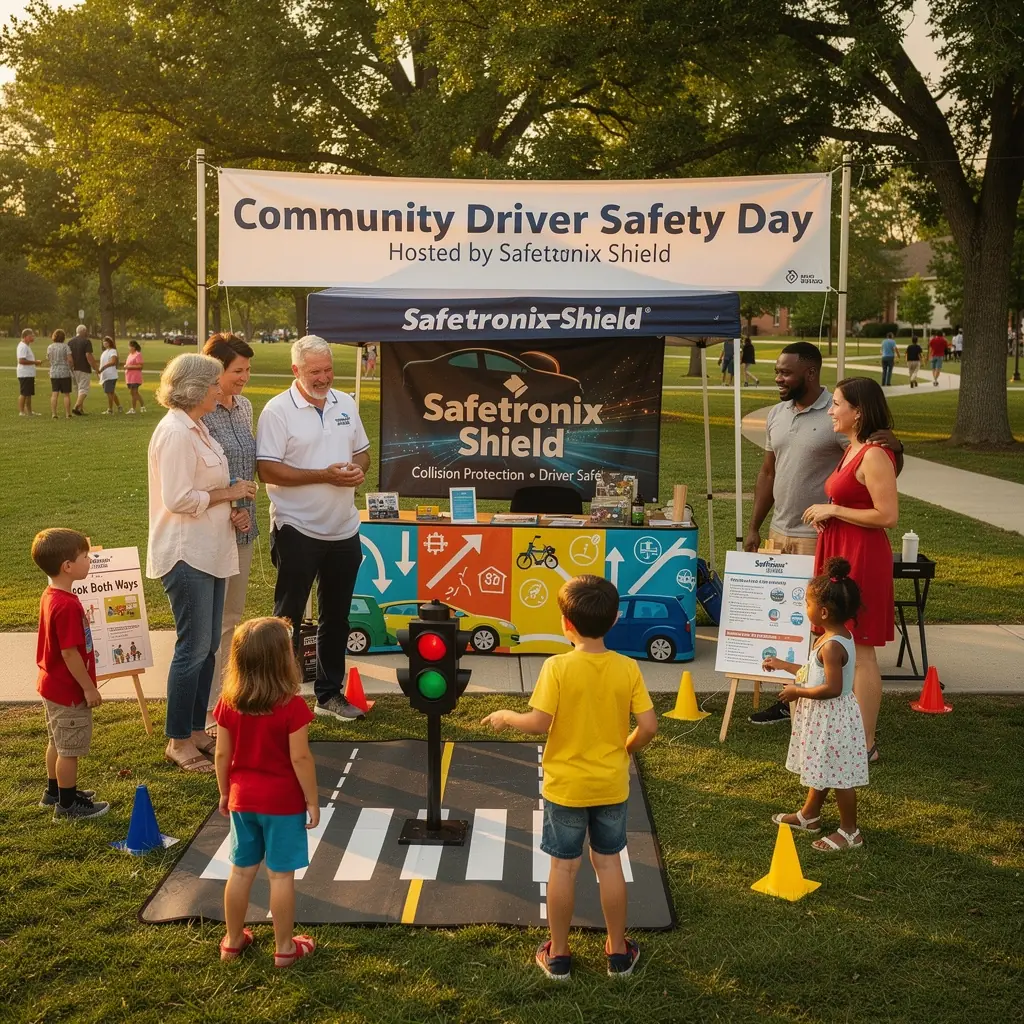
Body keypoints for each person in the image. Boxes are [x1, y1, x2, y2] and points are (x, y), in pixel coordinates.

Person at [482, 575, 657, 980]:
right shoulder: (627, 667)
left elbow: (539, 722)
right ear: (613, 621)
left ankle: (558, 955)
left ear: (566, 623)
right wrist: (624, 750)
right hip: (611, 784)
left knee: (563, 868)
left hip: (565, 789)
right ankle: (617, 951)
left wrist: (508, 716)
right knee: (609, 863)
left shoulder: (556, 666)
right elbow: (648, 726)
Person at [744, 342, 902, 727]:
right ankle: (804, 702)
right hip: (799, 534)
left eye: (786, 372)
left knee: (849, 641)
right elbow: (769, 472)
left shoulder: (861, 444)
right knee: (806, 628)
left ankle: (861, 736)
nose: (778, 378)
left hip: (845, 549)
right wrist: (755, 526)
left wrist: (834, 508)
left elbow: (886, 495)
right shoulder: (782, 416)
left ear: (809, 373)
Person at [146, 353, 256, 773]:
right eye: (214, 384)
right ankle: (177, 740)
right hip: (186, 553)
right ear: (194, 389)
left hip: (211, 549)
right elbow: (177, 499)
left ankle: (194, 730)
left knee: (208, 645)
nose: (220, 389)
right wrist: (227, 496)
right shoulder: (175, 432)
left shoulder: (199, 428)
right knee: (192, 648)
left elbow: (204, 487)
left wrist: (232, 508)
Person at [256, 335, 370, 722]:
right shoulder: (277, 411)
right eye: (314, 372)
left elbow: (362, 451)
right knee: (285, 619)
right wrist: (323, 475)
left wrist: (359, 469)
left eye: (328, 370)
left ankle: (329, 695)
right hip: (297, 527)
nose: (323, 378)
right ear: (296, 371)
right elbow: (267, 469)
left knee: (336, 617)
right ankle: (276, 697)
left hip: (343, 528)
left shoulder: (346, 402)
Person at [801, 377, 899, 762]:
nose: (830, 409)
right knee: (840, 641)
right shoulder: (853, 449)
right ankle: (842, 730)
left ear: (858, 411)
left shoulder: (874, 454)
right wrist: (830, 517)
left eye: (837, 403)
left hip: (863, 555)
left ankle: (865, 742)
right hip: (840, 546)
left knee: (862, 647)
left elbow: (888, 515)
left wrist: (834, 510)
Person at [213, 617, 318, 967]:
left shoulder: (229, 703)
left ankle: (232, 940)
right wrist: (313, 801)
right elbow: (300, 758)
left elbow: (222, 754)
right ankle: (285, 948)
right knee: (280, 875)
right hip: (283, 804)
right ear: (283, 659)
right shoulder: (292, 706)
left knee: (241, 871)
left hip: (243, 800)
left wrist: (225, 791)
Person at [762, 557, 868, 852]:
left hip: (832, 717)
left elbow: (832, 688)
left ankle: (850, 832)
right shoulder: (832, 637)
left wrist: (798, 693)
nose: (804, 608)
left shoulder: (833, 646)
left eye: (807, 603)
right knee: (824, 768)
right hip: (827, 717)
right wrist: (784, 665)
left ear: (822, 611)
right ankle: (809, 815)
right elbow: (813, 671)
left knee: (841, 776)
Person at [31, 528, 109, 821]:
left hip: (51, 685)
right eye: (85, 557)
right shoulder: (65, 606)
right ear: (68, 566)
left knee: (57, 742)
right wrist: (88, 688)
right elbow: (69, 653)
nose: (90, 561)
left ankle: (54, 791)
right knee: (70, 750)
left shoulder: (52, 595)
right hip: (67, 690)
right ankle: (67, 806)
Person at [202, 333, 258, 736]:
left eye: (247, 370)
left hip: (244, 526)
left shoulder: (246, 408)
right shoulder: (200, 413)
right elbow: (201, 475)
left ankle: (225, 698)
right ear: (215, 371)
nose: (244, 378)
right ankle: (206, 708)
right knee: (210, 624)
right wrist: (231, 506)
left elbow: (248, 466)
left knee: (232, 617)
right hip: (209, 527)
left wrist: (244, 509)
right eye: (238, 371)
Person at [69, 325, 99, 416]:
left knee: (77, 389)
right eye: (86, 331)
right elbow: (88, 356)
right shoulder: (86, 342)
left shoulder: (70, 342)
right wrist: (95, 368)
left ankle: (80, 410)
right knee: (84, 389)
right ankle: (76, 407)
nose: (87, 333)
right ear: (84, 331)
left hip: (73, 369)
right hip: (83, 368)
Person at [47, 329, 74, 419]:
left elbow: (49, 358)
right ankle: (67, 413)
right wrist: (71, 366)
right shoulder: (66, 347)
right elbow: (70, 360)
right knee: (66, 394)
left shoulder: (50, 347)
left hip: (54, 372)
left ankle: (54, 414)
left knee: (55, 393)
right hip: (64, 372)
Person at [17, 327, 42, 417]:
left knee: (29, 393)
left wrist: (34, 363)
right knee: (24, 393)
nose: (33, 338)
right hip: (24, 373)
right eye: (32, 336)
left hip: (29, 373)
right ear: (26, 336)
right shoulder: (22, 347)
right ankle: (21, 411)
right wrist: (35, 362)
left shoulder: (27, 346)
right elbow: (21, 361)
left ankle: (29, 412)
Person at [98, 337, 123, 414]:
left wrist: (103, 368)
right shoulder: (104, 352)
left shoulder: (113, 351)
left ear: (110, 343)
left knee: (109, 392)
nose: (104, 343)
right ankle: (119, 407)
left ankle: (110, 410)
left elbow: (113, 362)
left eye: (106, 342)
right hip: (105, 376)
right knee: (111, 392)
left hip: (110, 375)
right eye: (103, 342)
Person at [125, 340, 146, 413]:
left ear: (133, 347)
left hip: (135, 377)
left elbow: (140, 366)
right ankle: (142, 406)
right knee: (134, 393)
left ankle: (133, 409)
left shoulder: (138, 354)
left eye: (130, 346)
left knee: (134, 392)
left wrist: (129, 367)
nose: (129, 348)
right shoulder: (130, 355)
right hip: (129, 377)